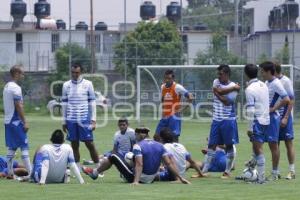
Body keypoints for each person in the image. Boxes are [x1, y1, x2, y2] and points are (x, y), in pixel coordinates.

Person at [83, 127, 190, 185]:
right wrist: (180, 178)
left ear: (139, 135)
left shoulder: (138, 146)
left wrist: (135, 181)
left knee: (113, 155)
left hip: (140, 178)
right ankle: (95, 172)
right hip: (151, 178)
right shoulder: (160, 146)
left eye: (136, 134)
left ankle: (95, 173)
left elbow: (139, 164)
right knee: (125, 157)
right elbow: (169, 163)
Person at [201, 64, 240, 179]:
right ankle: (204, 171)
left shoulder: (233, 85)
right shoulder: (217, 81)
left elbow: (227, 102)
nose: (218, 76)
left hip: (228, 119)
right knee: (211, 145)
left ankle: (227, 171)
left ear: (227, 74)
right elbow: (218, 91)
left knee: (228, 145)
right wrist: (228, 90)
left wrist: (217, 93)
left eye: (221, 74)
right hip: (216, 119)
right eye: (218, 73)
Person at [62, 63, 100, 169]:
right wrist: (64, 122)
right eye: (73, 72)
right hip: (71, 120)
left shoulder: (88, 84)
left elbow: (92, 103)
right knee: (74, 145)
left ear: (81, 72)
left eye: (77, 72)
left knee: (89, 143)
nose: (75, 74)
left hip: (84, 119)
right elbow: (64, 104)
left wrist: (93, 120)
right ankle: (77, 168)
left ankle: (99, 168)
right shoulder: (66, 85)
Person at [259, 61, 290, 180]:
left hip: (272, 118)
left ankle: (275, 173)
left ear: (268, 72)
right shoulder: (267, 82)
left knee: (273, 145)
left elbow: (286, 99)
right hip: (264, 117)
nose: (261, 73)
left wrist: (273, 109)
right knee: (260, 142)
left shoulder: (277, 83)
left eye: (262, 71)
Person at [3, 65, 31, 179]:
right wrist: (25, 121)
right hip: (15, 121)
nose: (23, 76)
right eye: (22, 73)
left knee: (12, 147)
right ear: (16, 74)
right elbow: (18, 105)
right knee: (24, 146)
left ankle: (10, 173)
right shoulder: (16, 88)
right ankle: (32, 172)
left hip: (8, 121)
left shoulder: (7, 86)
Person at [244, 64, 270, 184]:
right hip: (266, 120)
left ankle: (261, 179)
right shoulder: (264, 85)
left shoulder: (249, 89)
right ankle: (251, 170)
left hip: (257, 122)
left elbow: (250, 110)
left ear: (246, 74)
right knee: (256, 149)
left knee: (258, 149)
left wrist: (249, 128)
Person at [154, 69, 194, 142]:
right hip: (165, 116)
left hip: (174, 117)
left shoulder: (177, 87)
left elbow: (190, 97)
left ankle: (176, 151)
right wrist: (163, 110)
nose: (167, 80)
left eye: (169, 78)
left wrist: (181, 110)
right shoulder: (162, 87)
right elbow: (163, 99)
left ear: (173, 78)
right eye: (165, 78)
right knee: (157, 136)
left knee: (174, 137)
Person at [274, 63, 295, 180]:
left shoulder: (286, 81)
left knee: (288, 143)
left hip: (284, 117)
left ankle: (292, 171)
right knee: (274, 144)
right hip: (274, 118)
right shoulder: (270, 82)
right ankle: (275, 172)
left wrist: (286, 117)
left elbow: (291, 100)